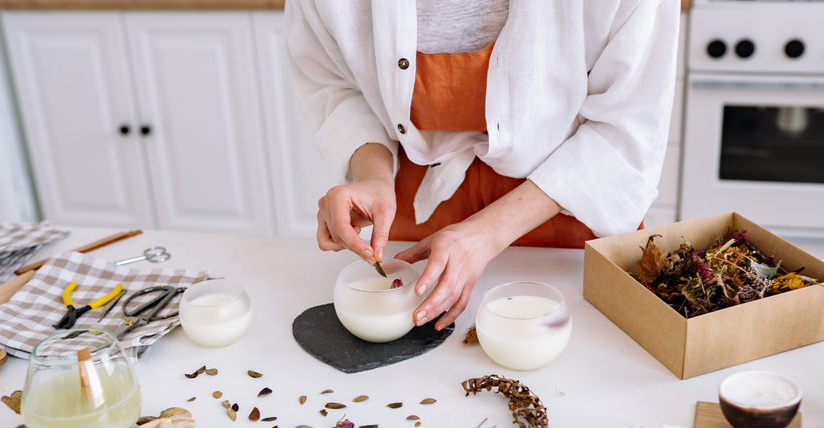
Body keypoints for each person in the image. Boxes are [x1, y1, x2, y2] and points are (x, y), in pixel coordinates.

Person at [285, 0, 679, 331]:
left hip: (565, 205)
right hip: (412, 205)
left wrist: (486, 234)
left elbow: (628, 127)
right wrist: (371, 174)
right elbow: (333, 82)